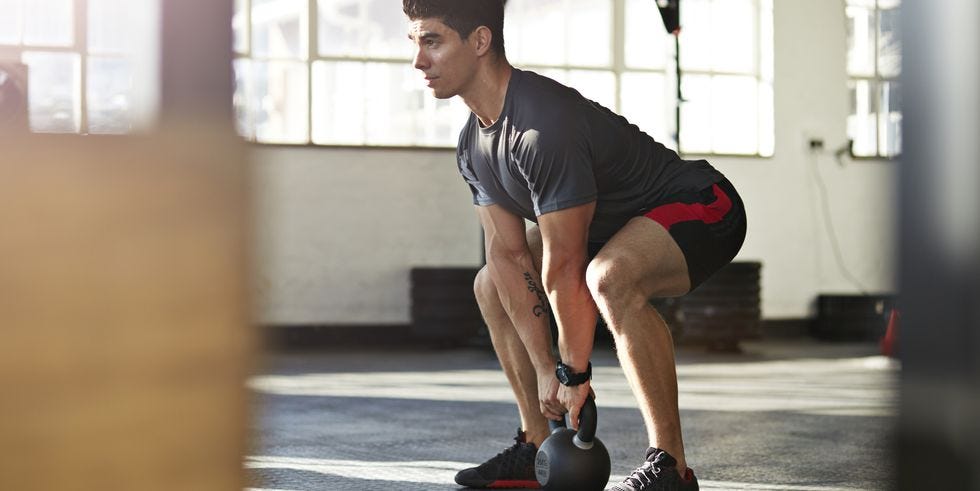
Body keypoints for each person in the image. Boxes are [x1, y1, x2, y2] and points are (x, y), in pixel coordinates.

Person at [403, 1, 746, 490]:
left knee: (608, 276)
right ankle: (537, 444)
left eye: (431, 41)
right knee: (488, 285)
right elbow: (507, 255)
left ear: (480, 42)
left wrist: (572, 373)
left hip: (703, 204)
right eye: (413, 43)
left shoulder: (543, 125)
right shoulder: (473, 146)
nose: (418, 61)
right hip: (615, 229)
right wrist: (546, 372)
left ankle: (671, 468)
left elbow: (564, 264)